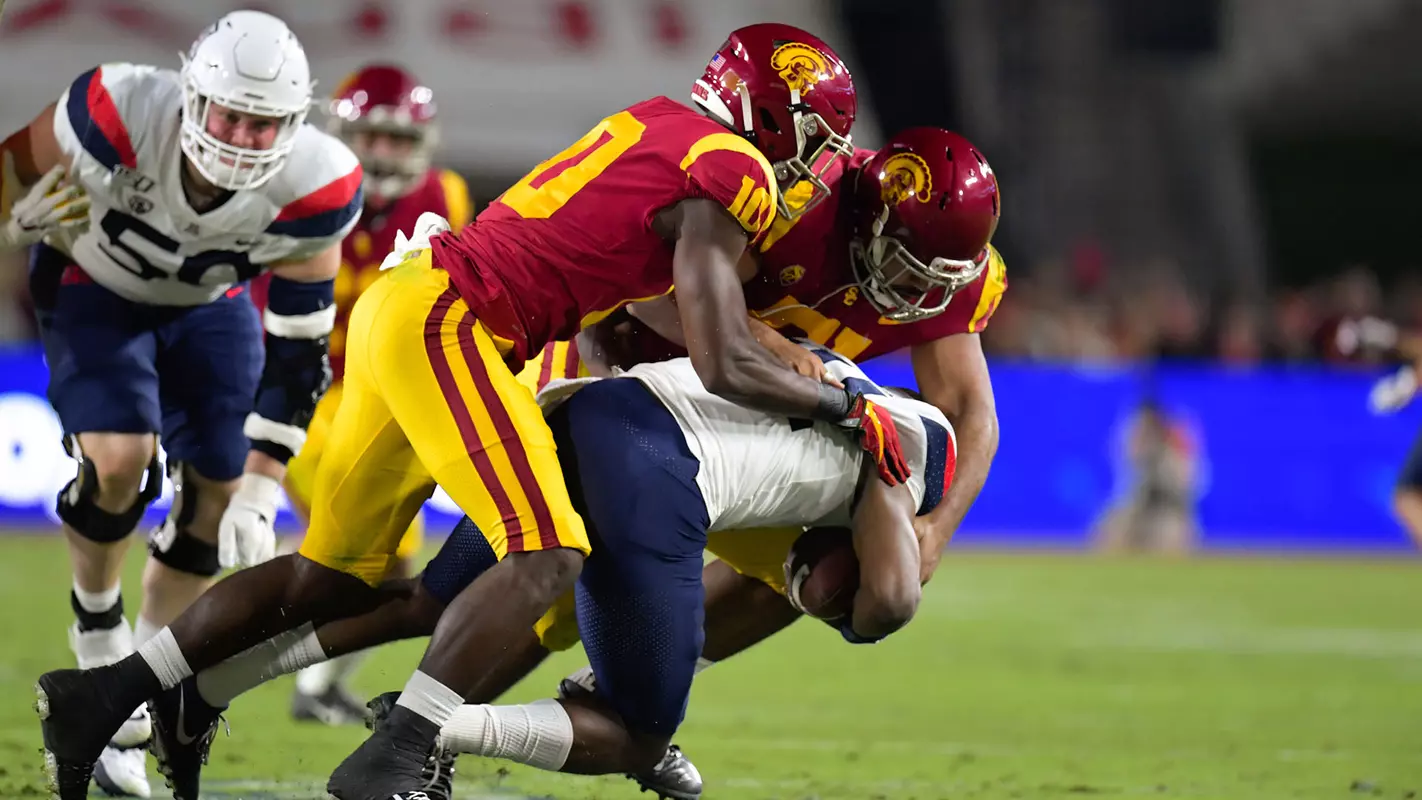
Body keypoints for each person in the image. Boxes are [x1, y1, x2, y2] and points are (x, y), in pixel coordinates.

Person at [33, 23, 888, 800]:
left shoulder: (666, 123)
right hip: (457, 320)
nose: (815, 166)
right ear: (776, 122)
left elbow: (617, 288)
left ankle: (105, 695)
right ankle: (401, 754)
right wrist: (845, 402)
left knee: (328, 578)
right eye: (814, 139)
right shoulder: (734, 168)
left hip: (409, 307)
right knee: (548, 554)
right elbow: (722, 353)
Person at [3, 10, 357, 797]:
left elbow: (299, 350)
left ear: (295, 127)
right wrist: (7, 223)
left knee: (220, 497)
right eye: (230, 113)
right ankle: (98, 628)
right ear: (191, 94)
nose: (240, 137)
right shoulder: (116, 108)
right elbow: (10, 172)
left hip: (210, 305)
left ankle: (138, 687)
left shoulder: (319, 181)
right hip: (92, 284)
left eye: (264, 125)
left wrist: (266, 486)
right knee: (121, 458)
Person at [247, 63, 475, 726]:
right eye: (372, 136)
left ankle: (313, 687)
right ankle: (204, 662)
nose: (383, 152)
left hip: (382, 396)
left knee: (394, 558)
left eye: (398, 140)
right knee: (336, 552)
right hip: (296, 389)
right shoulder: (297, 186)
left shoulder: (446, 195)